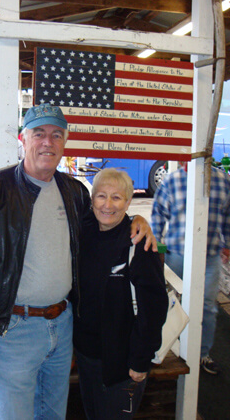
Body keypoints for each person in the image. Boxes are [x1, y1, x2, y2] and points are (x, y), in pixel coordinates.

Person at [0, 103, 156, 420]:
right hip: (12, 330)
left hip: (63, 323)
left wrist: (137, 220)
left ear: (64, 142)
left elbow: (105, 222)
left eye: (56, 135)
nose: (48, 142)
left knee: (53, 414)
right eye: (39, 133)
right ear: (22, 138)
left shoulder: (74, 192)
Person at [73, 168, 168, 419]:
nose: (107, 204)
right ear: (92, 200)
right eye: (101, 196)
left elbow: (154, 307)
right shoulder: (84, 232)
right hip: (86, 355)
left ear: (128, 201)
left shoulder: (139, 244)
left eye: (117, 197)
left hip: (123, 363)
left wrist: (140, 360)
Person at [151, 163, 230, 375]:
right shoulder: (171, 180)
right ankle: (169, 348)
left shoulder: (223, 181)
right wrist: (157, 246)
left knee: (207, 306)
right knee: (170, 303)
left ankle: (202, 354)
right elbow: (158, 214)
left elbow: (228, 214)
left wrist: (228, 244)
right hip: (176, 255)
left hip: (210, 256)